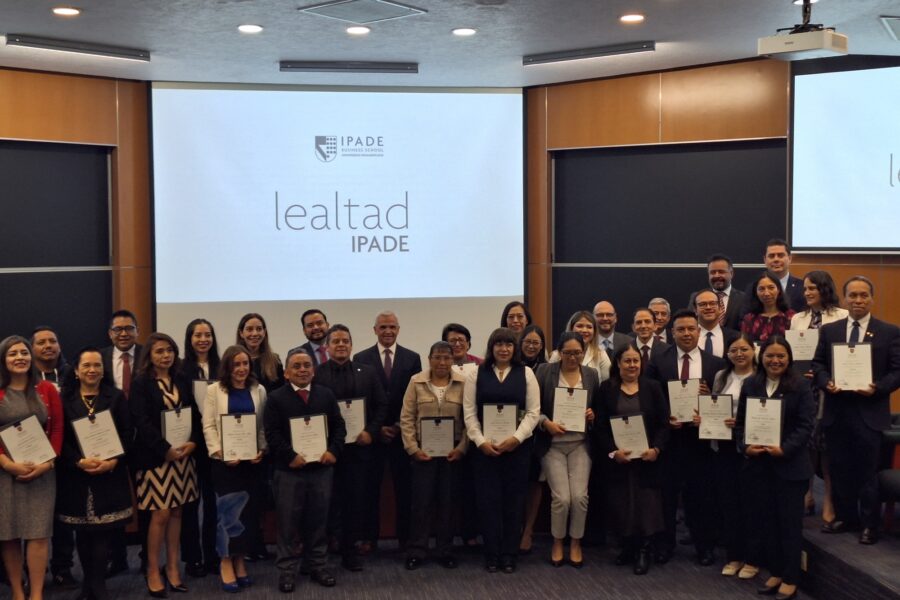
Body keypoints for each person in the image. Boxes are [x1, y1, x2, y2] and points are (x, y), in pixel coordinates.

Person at [813, 276, 900, 545]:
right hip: (837, 411)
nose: (858, 300)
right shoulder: (830, 331)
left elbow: (897, 371)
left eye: (863, 295)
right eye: (853, 295)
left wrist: (877, 388)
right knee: (840, 469)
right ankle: (846, 517)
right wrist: (826, 382)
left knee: (867, 471)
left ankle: (870, 524)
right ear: (845, 298)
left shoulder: (889, 331)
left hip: (869, 412)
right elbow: (818, 365)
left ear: (872, 299)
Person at [736, 336, 815, 600]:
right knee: (767, 523)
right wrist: (745, 446)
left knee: (789, 525)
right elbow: (740, 423)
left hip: (790, 467)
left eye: (781, 356)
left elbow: (806, 425)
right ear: (762, 357)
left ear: (789, 358)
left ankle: (791, 577)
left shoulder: (801, 385)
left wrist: (785, 449)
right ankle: (777, 572)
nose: (775, 360)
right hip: (759, 467)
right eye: (770, 355)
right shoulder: (751, 384)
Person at [645, 309, 726, 565]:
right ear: (672, 333)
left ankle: (704, 546)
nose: (687, 333)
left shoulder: (716, 364)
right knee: (666, 496)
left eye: (691, 328)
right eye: (681, 329)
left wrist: (709, 397)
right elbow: (650, 399)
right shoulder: (658, 361)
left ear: (699, 331)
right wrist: (666, 419)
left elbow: (723, 403)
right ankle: (665, 545)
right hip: (669, 439)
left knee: (700, 496)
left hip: (700, 441)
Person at [57, 347, 134, 600]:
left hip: (109, 474)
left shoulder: (116, 397)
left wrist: (113, 461)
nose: (92, 370)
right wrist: (78, 461)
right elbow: (61, 439)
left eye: (97, 365)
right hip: (76, 476)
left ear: (103, 370)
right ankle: (88, 585)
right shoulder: (64, 400)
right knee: (82, 532)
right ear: (76, 371)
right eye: (86, 366)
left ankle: (98, 585)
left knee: (102, 532)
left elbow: (127, 434)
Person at [265, 348, 345, 591]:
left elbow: (339, 427)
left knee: (319, 520)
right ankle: (287, 570)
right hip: (289, 471)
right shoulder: (276, 398)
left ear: (314, 370)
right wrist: (290, 456)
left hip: (321, 469)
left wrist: (333, 451)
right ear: (286, 373)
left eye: (307, 365)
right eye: (297, 366)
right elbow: (271, 433)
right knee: (288, 523)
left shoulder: (325, 395)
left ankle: (318, 565)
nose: (302, 370)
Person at [463, 327, 540, 573]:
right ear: (491, 347)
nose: (504, 349)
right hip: (485, 451)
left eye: (508, 344)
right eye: (499, 344)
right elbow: (469, 413)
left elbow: (533, 413)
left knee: (513, 502)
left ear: (514, 348)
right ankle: (491, 553)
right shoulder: (476, 374)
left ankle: (509, 554)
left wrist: (516, 439)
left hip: (517, 450)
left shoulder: (526, 373)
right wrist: (480, 442)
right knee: (488, 502)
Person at [129, 332, 201, 597]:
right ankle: (152, 569)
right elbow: (141, 421)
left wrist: (193, 443)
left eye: (169, 350)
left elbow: (194, 414)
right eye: (159, 351)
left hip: (183, 458)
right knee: (159, 514)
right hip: (155, 459)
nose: (166, 355)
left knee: (177, 512)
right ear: (149, 355)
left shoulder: (181, 378)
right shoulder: (141, 383)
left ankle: (172, 567)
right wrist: (164, 449)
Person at [314, 324, 388, 572]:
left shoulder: (367, 372)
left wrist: (371, 432)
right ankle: (323, 551)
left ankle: (350, 550)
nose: (341, 345)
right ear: (327, 347)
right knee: (326, 502)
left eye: (345, 341)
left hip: (358, 449)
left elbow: (381, 405)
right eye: (336, 341)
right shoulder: (316, 374)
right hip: (327, 451)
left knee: (354, 501)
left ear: (351, 344)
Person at [594, 345, 669, 575]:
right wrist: (612, 452)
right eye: (627, 361)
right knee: (622, 504)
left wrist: (656, 449)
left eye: (636, 360)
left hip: (647, 461)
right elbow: (600, 427)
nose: (632, 365)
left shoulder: (652, 387)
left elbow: (664, 424)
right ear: (618, 363)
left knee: (646, 506)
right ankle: (627, 546)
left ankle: (644, 550)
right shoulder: (606, 389)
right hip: (620, 461)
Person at [0, 335, 63, 600]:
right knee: (9, 535)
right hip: (5, 474)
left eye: (24, 353)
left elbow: (57, 429)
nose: (20, 358)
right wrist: (8, 464)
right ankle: (17, 591)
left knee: (38, 535)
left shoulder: (47, 389)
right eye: (13, 353)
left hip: (42, 474)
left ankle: (36, 593)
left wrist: (48, 463)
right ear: (3, 360)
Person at [353, 311, 422, 551]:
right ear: (375, 330)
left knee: (405, 489)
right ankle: (368, 538)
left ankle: (405, 538)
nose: (388, 331)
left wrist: (398, 426)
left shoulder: (412, 358)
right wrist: (376, 428)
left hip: (402, 435)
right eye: (383, 327)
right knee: (369, 489)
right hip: (373, 435)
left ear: (398, 329)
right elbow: (361, 399)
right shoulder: (361, 358)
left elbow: (415, 398)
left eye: (392, 327)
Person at [202, 345, 268, 592]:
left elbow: (262, 425)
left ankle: (240, 560)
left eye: (245, 364)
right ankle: (226, 561)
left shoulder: (259, 389)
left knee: (247, 515)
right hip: (225, 465)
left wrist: (262, 449)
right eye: (236, 364)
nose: (241, 369)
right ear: (227, 367)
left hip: (251, 464)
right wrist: (219, 452)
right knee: (226, 515)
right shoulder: (214, 390)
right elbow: (208, 425)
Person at [400, 341, 468, 570]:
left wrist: (462, 448)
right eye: (437, 357)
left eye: (446, 358)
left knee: (448, 503)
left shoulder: (464, 383)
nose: (442, 362)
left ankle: (445, 550)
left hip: (452, 454)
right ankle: (417, 550)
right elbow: (407, 418)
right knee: (421, 504)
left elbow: (470, 419)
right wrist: (413, 449)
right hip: (423, 454)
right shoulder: (416, 382)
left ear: (453, 360)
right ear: (429, 359)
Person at [534, 332, 598, 568]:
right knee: (561, 498)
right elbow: (533, 408)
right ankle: (558, 541)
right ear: (559, 353)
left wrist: (592, 415)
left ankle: (576, 542)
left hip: (580, 443)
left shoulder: (591, 375)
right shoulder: (544, 372)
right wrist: (545, 423)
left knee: (580, 497)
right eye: (568, 353)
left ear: (584, 352)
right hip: (553, 445)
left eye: (577, 353)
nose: (573, 357)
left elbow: (597, 408)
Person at [789, 270, 847, 524]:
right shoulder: (797, 319)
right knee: (806, 442)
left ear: (825, 288)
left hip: (830, 388)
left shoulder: (842, 316)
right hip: (803, 388)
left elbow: (847, 354)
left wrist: (825, 373)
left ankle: (829, 500)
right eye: (805, 289)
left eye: (812, 288)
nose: (807, 293)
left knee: (826, 446)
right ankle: (808, 494)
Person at [706, 334, 758, 579]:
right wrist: (705, 418)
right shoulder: (721, 376)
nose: (739, 354)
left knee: (751, 504)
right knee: (729, 503)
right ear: (727, 354)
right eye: (734, 350)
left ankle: (752, 559)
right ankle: (734, 556)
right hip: (724, 447)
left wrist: (740, 422)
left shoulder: (760, 377)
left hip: (750, 448)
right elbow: (714, 405)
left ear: (753, 351)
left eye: (744, 349)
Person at [31, 326, 76, 589]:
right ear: (32, 348)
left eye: (53, 341)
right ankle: (32, 570)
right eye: (41, 342)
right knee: (32, 518)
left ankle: (62, 568)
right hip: (31, 457)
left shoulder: (72, 374)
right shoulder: (22, 377)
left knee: (63, 516)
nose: (48, 346)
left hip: (66, 454)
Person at [179, 318, 220, 578]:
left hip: (217, 443)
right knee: (190, 504)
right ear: (189, 339)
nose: (203, 340)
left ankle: (213, 554)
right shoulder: (180, 369)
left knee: (214, 503)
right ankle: (192, 558)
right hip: (191, 442)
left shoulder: (222, 367)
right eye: (198, 335)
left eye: (208, 335)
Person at [517, 323, 548, 552]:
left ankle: (528, 530)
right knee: (517, 483)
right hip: (514, 432)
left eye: (536, 342)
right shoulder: (513, 367)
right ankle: (514, 528)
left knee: (535, 482)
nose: (531, 346)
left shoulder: (548, 369)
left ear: (542, 346)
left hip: (540, 434)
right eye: (527, 341)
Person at [687, 254, 747, 331]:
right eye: (712, 272)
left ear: (731, 273)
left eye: (721, 272)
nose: (717, 275)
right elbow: (690, 323)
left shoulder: (744, 299)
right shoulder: (697, 297)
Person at [549, 311, 611, 380]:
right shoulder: (557, 355)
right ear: (571, 329)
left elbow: (607, 383)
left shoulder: (601, 355)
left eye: (589, 327)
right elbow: (549, 381)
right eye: (580, 326)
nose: (584, 330)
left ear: (594, 331)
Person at [741, 271, 795, 343]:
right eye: (761, 289)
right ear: (756, 292)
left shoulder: (791, 317)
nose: (766, 293)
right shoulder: (749, 319)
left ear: (778, 290)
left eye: (771, 288)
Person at [235, 313, 284, 393]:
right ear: (241, 333)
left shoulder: (275, 361)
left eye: (259, 329)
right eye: (249, 329)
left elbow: (281, 391)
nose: (255, 333)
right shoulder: (232, 360)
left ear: (264, 332)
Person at [752, 238, 805, 312]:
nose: (776, 259)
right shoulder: (754, 288)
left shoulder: (803, 287)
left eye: (780, 255)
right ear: (765, 260)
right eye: (771, 256)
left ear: (789, 258)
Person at [693, 288, 739, 358]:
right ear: (695, 310)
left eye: (712, 303)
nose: (708, 307)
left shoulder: (735, 337)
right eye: (702, 304)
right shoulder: (687, 336)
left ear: (720, 308)